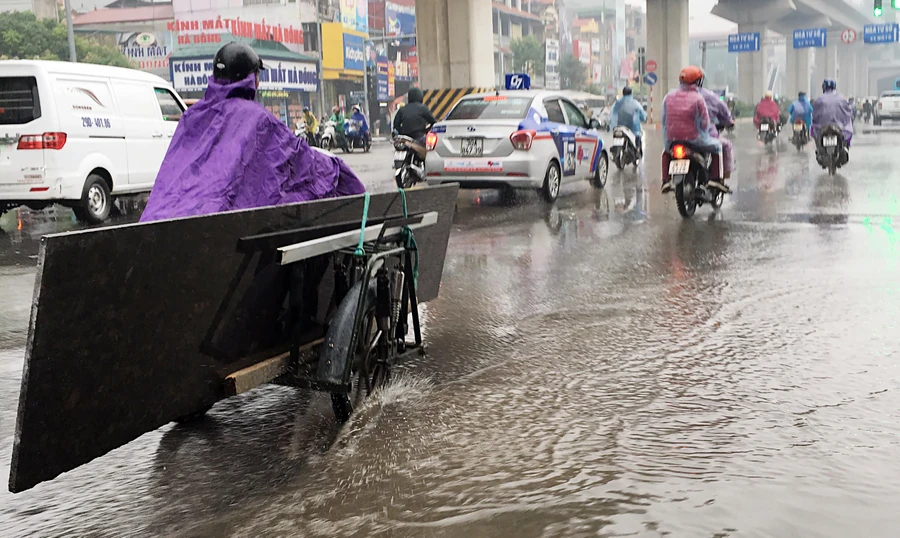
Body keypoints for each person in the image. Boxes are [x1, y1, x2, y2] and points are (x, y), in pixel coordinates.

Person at [140, 43, 364, 222]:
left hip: (160, 220)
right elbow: (300, 161)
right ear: (250, 78)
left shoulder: (191, 116)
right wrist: (336, 169)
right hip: (216, 228)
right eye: (257, 74)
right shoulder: (258, 119)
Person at [660, 65, 724, 193]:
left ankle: (665, 180)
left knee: (666, 153)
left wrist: (668, 138)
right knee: (717, 147)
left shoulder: (668, 97)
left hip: (672, 139)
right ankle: (716, 179)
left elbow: (663, 120)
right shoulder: (698, 98)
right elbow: (705, 122)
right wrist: (703, 133)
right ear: (698, 81)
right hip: (694, 139)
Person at [698, 80, 735, 180]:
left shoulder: (673, 97)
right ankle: (719, 177)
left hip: (677, 138)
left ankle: (666, 180)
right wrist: (729, 122)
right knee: (722, 146)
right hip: (703, 138)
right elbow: (726, 114)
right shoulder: (708, 97)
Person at [812, 78, 854, 147]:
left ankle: (819, 147)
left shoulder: (820, 99)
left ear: (823, 87)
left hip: (823, 127)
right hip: (839, 126)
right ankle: (846, 147)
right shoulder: (841, 98)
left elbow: (814, 114)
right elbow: (848, 111)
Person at [609, 86, 647, 157]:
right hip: (632, 129)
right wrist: (644, 118)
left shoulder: (617, 103)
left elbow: (612, 114)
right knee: (638, 136)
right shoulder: (635, 104)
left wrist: (612, 126)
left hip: (619, 127)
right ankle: (638, 150)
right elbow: (642, 115)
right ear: (631, 94)